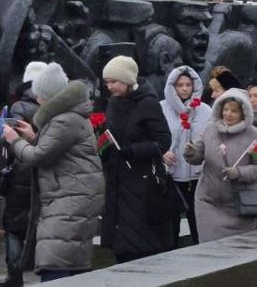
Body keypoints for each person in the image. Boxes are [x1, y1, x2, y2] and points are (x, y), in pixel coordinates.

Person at [2, 63, 104, 283]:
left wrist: (15, 141)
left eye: (40, 95)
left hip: (69, 195)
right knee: (69, 256)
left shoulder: (63, 120)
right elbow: (56, 148)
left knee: (55, 259)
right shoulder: (71, 115)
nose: (37, 99)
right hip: (73, 192)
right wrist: (32, 136)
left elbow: (39, 156)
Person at [100, 54, 173, 262]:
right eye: (107, 82)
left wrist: (132, 150)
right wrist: (103, 148)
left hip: (141, 181)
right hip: (116, 179)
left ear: (127, 80)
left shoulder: (147, 103)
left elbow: (163, 140)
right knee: (121, 241)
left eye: (113, 81)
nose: (109, 86)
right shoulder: (113, 103)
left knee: (140, 241)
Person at [183, 89, 257, 242]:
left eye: (234, 111)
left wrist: (239, 172)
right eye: (226, 109)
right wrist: (191, 153)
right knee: (210, 248)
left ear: (243, 113)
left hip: (241, 205)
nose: (228, 114)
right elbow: (198, 156)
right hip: (208, 202)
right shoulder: (210, 129)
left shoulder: (254, 136)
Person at [0, 61, 47, 287]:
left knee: (14, 225)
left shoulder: (19, 106)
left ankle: (14, 273)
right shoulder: (52, 107)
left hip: (21, 172)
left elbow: (10, 140)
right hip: (44, 171)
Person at [159, 65, 212, 245]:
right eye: (179, 85)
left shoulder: (205, 110)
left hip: (197, 177)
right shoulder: (161, 108)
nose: (184, 89)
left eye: (188, 85)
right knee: (171, 226)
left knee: (197, 224)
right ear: (171, 87)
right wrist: (162, 153)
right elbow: (152, 137)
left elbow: (211, 139)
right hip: (171, 176)